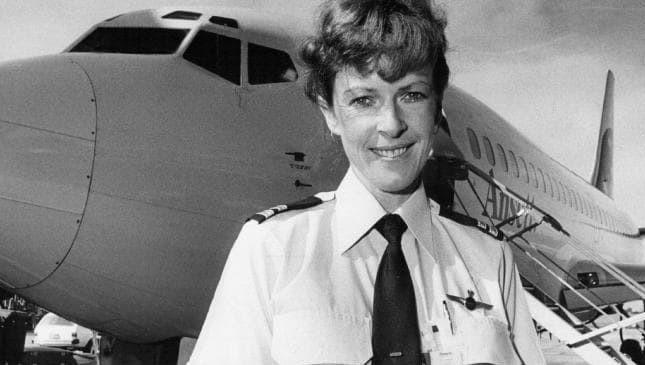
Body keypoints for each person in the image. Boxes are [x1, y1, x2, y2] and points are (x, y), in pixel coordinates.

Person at [188, 0, 545, 364]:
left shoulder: (488, 257)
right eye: (362, 100)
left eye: (412, 95)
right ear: (331, 114)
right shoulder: (272, 249)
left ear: (437, 108)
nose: (391, 124)